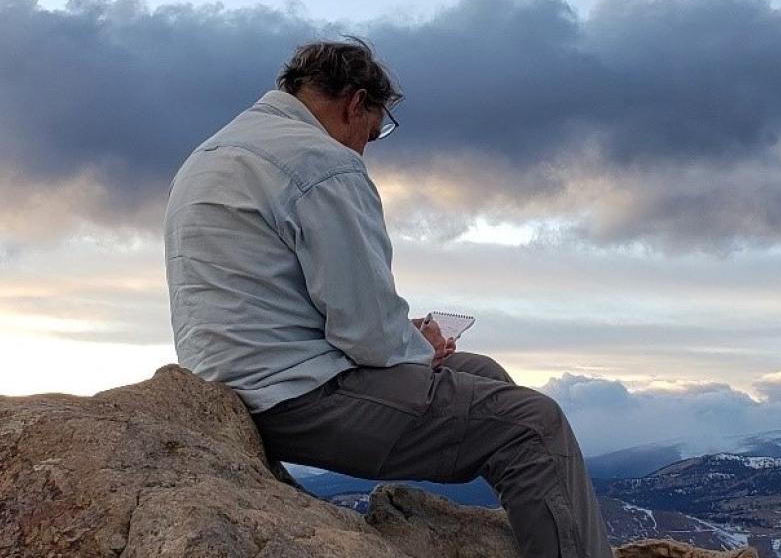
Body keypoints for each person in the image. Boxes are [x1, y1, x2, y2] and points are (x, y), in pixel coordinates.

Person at [163, 37, 612, 558]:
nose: (363, 149)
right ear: (355, 103)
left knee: (482, 374)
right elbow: (369, 334)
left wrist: (413, 344)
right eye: (371, 134)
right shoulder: (322, 163)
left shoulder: (215, 151)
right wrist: (422, 346)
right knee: (535, 426)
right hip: (297, 397)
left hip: (231, 382)